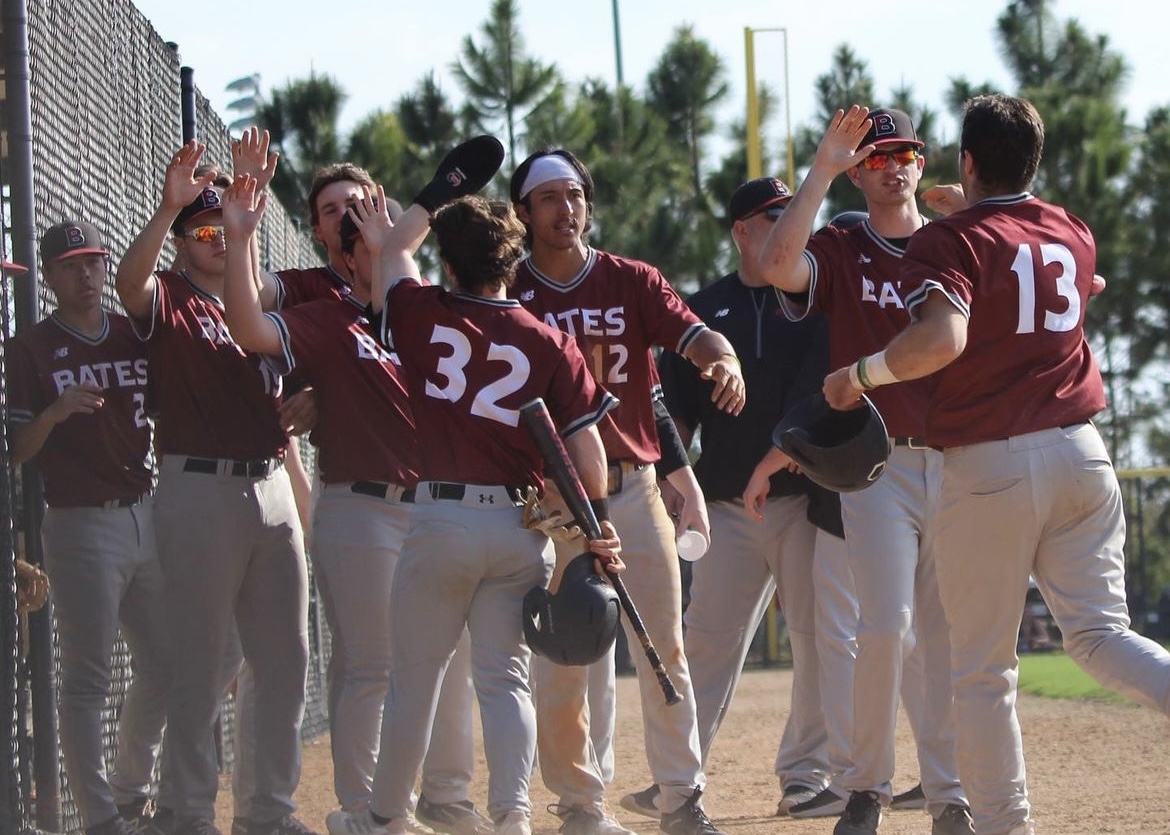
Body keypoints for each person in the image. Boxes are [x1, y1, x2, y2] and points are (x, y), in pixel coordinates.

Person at [823, 93, 1170, 835]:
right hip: (1084, 453)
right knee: (1102, 636)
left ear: (967, 160)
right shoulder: (1070, 228)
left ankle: (1005, 827)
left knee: (981, 670)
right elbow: (1035, 267)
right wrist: (967, 203)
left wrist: (861, 375)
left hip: (991, 464)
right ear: (1034, 162)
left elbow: (941, 340)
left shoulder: (949, 240)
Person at [328, 152, 622, 835]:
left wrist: (439, 193)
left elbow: (398, 246)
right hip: (518, 529)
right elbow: (589, 450)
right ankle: (513, 816)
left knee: (415, 681)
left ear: (450, 265)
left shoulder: (423, 310)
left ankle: (385, 817)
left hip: (440, 518)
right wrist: (596, 526)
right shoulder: (549, 338)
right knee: (504, 680)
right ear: (512, 262)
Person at [221, 182, 490, 835]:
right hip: (361, 502)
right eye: (339, 216)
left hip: (432, 502)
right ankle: (368, 807)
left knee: (449, 656)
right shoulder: (329, 309)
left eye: (370, 214)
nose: (360, 227)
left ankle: (447, 795)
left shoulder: (430, 310)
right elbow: (251, 320)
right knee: (372, 661)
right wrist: (240, 234)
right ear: (331, 245)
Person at [507, 148, 743, 835]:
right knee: (565, 653)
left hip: (632, 488)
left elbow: (694, 335)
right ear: (522, 213)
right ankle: (579, 804)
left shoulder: (630, 280)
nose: (565, 207)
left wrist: (722, 358)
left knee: (663, 645)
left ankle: (681, 795)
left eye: (575, 193)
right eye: (547, 197)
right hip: (551, 499)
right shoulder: (509, 289)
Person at [755, 107, 970, 835]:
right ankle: (866, 787)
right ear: (859, 169)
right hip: (876, 462)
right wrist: (821, 170)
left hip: (956, 458)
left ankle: (949, 792)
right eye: (875, 156)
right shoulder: (846, 241)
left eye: (904, 152)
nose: (894, 165)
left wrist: (975, 221)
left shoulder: (951, 241)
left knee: (942, 633)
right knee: (887, 627)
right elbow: (777, 265)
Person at [115, 141, 315, 835]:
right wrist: (171, 204)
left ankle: (269, 812)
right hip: (198, 485)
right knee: (198, 666)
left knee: (285, 661)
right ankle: (188, 813)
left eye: (224, 225)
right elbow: (127, 284)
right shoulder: (168, 295)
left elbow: (295, 399)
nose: (214, 239)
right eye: (201, 230)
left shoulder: (260, 299)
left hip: (271, 486)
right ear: (180, 241)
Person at [649, 177, 831, 815]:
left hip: (805, 501)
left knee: (817, 641)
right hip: (726, 504)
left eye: (792, 214)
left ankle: (806, 779)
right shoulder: (701, 313)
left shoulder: (813, 304)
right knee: (705, 642)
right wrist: (678, 487)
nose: (788, 224)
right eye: (773, 216)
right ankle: (678, 778)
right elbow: (671, 412)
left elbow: (824, 395)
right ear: (743, 231)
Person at [5, 224, 171, 835]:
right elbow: (17, 449)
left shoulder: (130, 332)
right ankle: (100, 819)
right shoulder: (32, 349)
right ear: (49, 276)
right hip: (78, 523)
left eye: (94, 261)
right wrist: (54, 411)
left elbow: (162, 406)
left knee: (165, 665)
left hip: (144, 512)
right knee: (88, 678)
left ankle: (131, 789)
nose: (88, 274)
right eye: (72, 265)